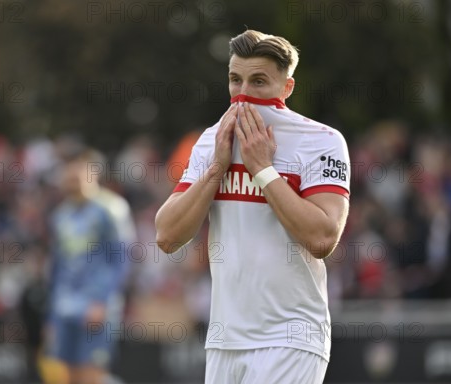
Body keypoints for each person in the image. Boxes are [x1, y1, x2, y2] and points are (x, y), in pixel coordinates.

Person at [155, 30, 350, 383]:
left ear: (286, 87)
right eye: (235, 79)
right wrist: (217, 167)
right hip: (224, 338)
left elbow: (323, 238)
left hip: (291, 336)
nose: (243, 92)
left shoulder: (321, 140)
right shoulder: (212, 141)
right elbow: (167, 236)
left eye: (258, 81)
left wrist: (262, 169)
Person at [46, 148, 135, 384]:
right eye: (69, 172)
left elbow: (122, 259)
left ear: (93, 172)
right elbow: (56, 266)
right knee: (68, 375)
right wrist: (52, 315)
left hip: (95, 305)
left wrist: (102, 301)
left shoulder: (111, 209)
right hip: (64, 305)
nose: (72, 177)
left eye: (78, 171)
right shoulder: (60, 215)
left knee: (91, 375)